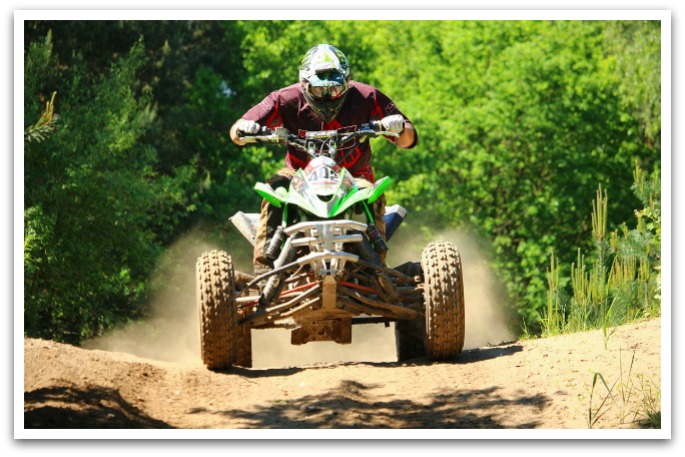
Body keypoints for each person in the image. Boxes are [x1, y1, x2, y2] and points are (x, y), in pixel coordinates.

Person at [230, 43, 417, 273]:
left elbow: (408, 139)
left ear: (347, 83)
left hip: (353, 176)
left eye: (335, 90)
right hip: (299, 177)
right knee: (274, 190)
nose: (327, 97)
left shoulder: (367, 96)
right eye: (320, 91)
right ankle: (264, 269)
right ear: (305, 83)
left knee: (372, 194)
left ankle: (376, 268)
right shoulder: (285, 99)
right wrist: (245, 129)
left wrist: (398, 127)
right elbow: (236, 132)